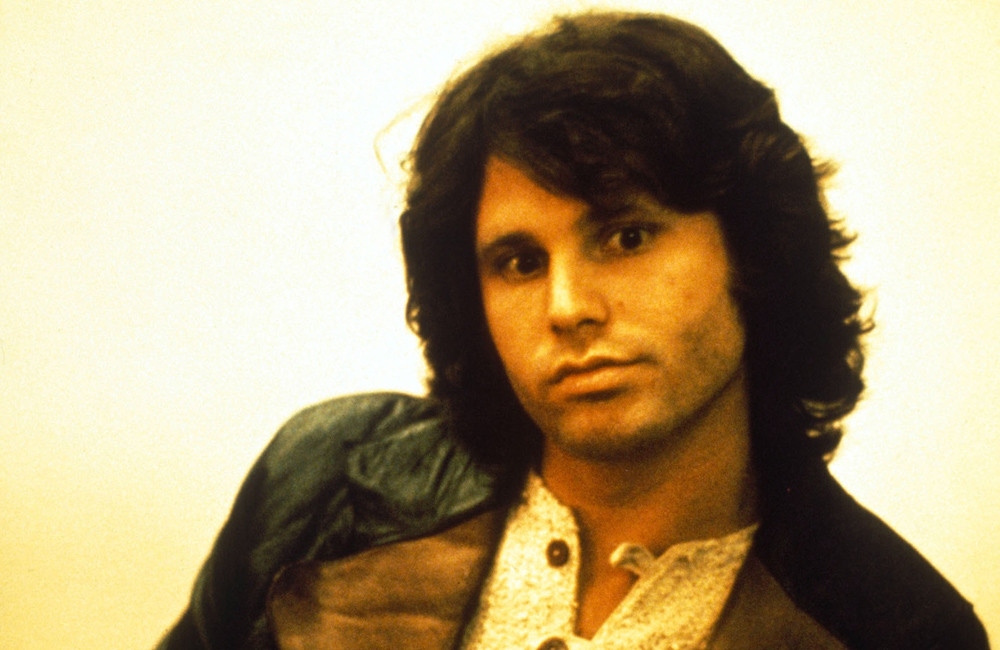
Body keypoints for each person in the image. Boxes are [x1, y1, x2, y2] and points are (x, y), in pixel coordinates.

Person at [158, 11, 988, 649]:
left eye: (625, 237)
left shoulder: (898, 626)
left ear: (755, 252)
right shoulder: (322, 481)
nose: (566, 306)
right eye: (519, 261)